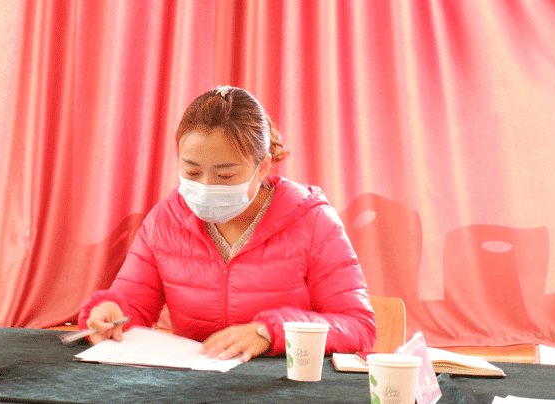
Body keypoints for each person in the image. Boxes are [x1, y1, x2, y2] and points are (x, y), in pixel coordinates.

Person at [79, 86, 376, 362]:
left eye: (225, 176)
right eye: (192, 172)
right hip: (192, 382)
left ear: (262, 167)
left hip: (281, 385)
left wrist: (269, 331)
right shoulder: (164, 221)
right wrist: (110, 313)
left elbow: (358, 326)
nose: (206, 187)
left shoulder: (313, 221)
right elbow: (131, 306)